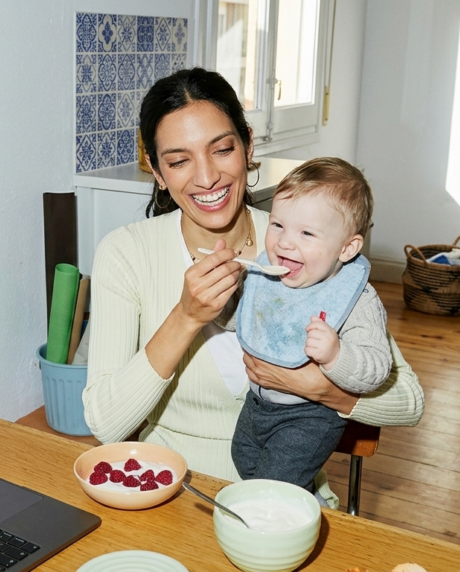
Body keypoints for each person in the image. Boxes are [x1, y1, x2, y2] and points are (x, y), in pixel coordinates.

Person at [82, 68, 423, 507]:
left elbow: (408, 402)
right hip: (170, 493)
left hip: (286, 500)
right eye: (179, 160)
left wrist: (318, 387)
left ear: (247, 146)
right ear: (158, 172)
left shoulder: (306, 247)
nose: (206, 178)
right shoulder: (126, 253)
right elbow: (105, 424)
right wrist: (185, 318)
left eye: (222, 149)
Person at [219, 157, 391, 493]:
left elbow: (378, 367)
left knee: (271, 487)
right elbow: (239, 321)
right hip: (257, 406)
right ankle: (303, 503)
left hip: (309, 418)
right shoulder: (266, 273)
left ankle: (290, 517)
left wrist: (336, 354)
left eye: (306, 233)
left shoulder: (356, 299)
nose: (284, 242)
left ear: (347, 248)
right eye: (278, 225)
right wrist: (222, 299)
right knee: (244, 460)